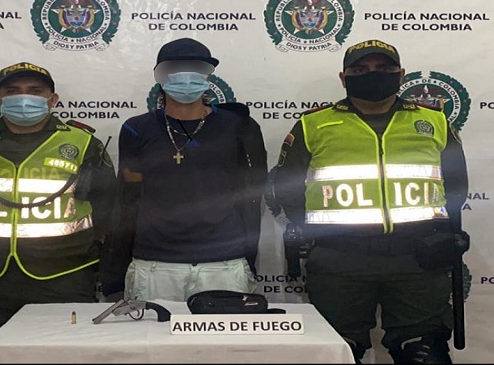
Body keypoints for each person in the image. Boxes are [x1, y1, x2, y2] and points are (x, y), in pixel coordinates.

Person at [273, 39, 469, 364]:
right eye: (360, 70)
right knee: (336, 351)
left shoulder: (433, 121)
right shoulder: (313, 124)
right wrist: (319, 233)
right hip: (340, 259)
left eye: (384, 68)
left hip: (418, 259)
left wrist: (436, 235)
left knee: (424, 352)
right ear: (343, 78)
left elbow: (456, 186)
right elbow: (287, 189)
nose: (372, 74)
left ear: (401, 74)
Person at [0, 62, 117, 364]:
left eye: (35, 91)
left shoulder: (83, 143)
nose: (23, 97)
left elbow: (107, 205)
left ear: (52, 99)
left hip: (63, 277)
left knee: (65, 358)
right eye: (12, 91)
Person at [102, 37, 267, 302]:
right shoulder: (136, 129)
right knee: (152, 331)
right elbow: (127, 202)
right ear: (160, 75)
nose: (186, 76)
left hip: (224, 262)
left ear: (208, 75)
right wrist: (114, 275)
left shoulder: (239, 126)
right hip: (155, 263)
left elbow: (251, 197)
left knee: (226, 332)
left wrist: (249, 257)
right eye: (176, 69)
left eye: (196, 68)